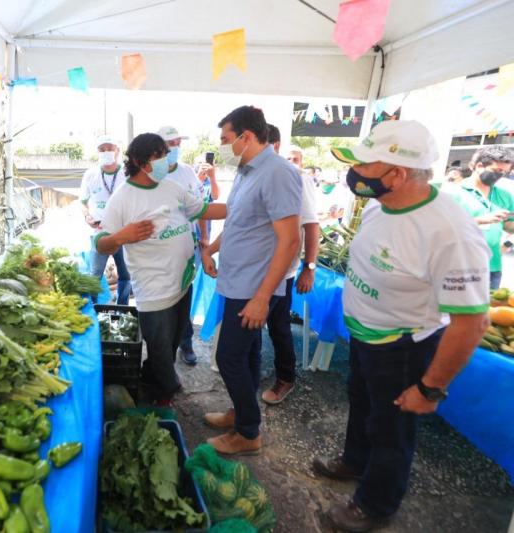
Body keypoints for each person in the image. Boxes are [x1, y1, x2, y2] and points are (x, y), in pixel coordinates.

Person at [316, 120, 489, 532]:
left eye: (365, 166)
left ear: (398, 174)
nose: (355, 174)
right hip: (364, 335)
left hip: (402, 346)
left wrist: (430, 388)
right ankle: (354, 461)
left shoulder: (449, 232)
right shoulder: (380, 205)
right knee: (361, 403)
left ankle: (376, 504)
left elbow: (472, 323)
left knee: (393, 427)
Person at [95, 133, 227, 405]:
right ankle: (164, 394)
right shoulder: (122, 199)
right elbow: (101, 244)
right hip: (154, 291)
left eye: (165, 154)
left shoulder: (171, 186)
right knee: (159, 348)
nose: (165, 161)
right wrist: (122, 236)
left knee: (175, 339)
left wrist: (242, 206)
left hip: (182, 283)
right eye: (159, 156)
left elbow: (202, 210)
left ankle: (157, 381)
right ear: (139, 161)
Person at [200, 106, 302, 455]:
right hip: (238, 279)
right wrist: (210, 248)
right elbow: (238, 220)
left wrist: (262, 297)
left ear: (246, 136)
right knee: (246, 355)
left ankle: (248, 432)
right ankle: (241, 411)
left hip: (253, 288)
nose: (225, 146)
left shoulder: (277, 173)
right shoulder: (247, 171)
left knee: (229, 358)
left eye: (227, 139)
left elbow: (291, 240)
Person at [260, 135, 320, 404]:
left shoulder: (295, 177)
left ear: (273, 145)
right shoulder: (253, 174)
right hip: (256, 268)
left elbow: (311, 226)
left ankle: (286, 378)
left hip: (282, 269)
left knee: (278, 326)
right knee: (261, 326)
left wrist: (309, 267)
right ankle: (255, 373)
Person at [158, 125, 206, 365]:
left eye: (178, 143)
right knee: (165, 300)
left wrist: (205, 240)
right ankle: (164, 348)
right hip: (160, 250)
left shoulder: (188, 172)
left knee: (185, 293)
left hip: (188, 246)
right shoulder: (152, 173)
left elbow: (202, 207)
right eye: (170, 144)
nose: (175, 148)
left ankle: (185, 343)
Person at [443, 146, 514, 290]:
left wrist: (506, 245)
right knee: (455, 311)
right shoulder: (451, 192)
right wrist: (481, 220)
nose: (500, 176)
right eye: (497, 171)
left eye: (505, 172)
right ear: (478, 166)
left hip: (492, 267)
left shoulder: (505, 195)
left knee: (489, 310)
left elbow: (509, 226)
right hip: (457, 267)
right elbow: (438, 227)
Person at [80, 135, 131, 304]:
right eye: (102, 149)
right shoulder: (90, 174)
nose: (106, 152)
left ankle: (122, 308)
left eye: (110, 148)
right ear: (97, 152)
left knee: (126, 275)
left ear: (117, 151)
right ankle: (95, 310)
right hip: (99, 233)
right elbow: (83, 202)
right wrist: (87, 216)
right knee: (94, 276)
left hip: (123, 232)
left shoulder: (127, 173)